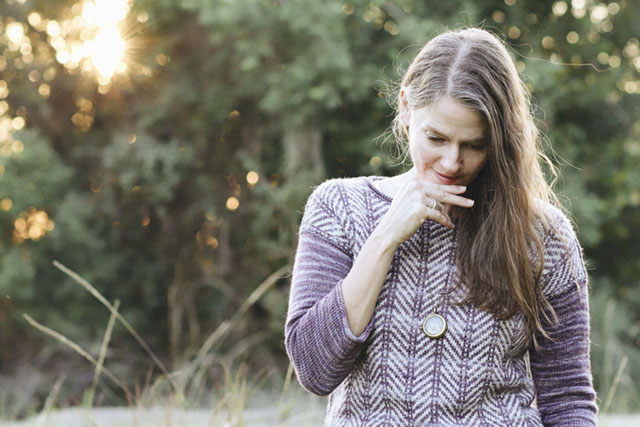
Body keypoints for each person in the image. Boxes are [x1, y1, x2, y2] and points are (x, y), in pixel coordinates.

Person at [284, 27, 597, 426]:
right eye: (436, 138)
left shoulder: (544, 236)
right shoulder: (340, 209)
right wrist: (385, 238)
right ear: (405, 109)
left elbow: (568, 398)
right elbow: (315, 370)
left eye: (474, 145)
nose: (452, 162)